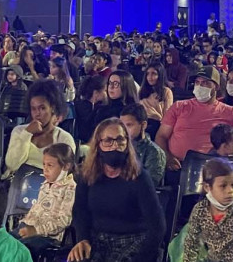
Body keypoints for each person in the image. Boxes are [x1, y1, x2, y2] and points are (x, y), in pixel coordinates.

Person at [69, 118, 165, 262]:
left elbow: (157, 226)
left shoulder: (140, 177)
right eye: (108, 141)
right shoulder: (87, 174)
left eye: (120, 140)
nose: (114, 146)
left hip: (133, 241)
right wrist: (83, 240)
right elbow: (80, 211)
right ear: (98, 145)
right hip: (98, 240)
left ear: (127, 143)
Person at [155, 70, 233, 178]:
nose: (200, 86)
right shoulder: (179, 107)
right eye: (197, 82)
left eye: (205, 83)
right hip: (177, 167)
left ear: (216, 86)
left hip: (212, 171)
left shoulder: (230, 112)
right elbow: (161, 136)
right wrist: (168, 157)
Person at [181, 158, 233, 262]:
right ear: (207, 187)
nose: (230, 191)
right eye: (223, 186)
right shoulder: (199, 209)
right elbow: (191, 244)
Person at [14, 143, 77, 259]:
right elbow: (37, 209)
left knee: (19, 250)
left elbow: (63, 221)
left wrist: (36, 230)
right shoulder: (45, 184)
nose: (45, 169)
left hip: (48, 237)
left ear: (66, 166)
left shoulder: (70, 189)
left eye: (50, 165)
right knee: (3, 242)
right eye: (44, 164)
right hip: (28, 227)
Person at [3, 80, 76, 177]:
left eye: (42, 108)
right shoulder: (19, 131)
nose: (37, 114)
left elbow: (62, 174)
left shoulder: (64, 139)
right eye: (33, 109)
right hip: (16, 185)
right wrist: (27, 133)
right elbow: (12, 165)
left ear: (52, 108)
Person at [120, 103, 166, 187]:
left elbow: (150, 184)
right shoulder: (119, 147)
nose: (124, 130)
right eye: (122, 126)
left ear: (143, 125)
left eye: (129, 125)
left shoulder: (154, 152)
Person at [138, 64, 173, 140]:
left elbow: (167, 114)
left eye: (154, 74)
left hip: (156, 124)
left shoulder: (166, 91)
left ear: (160, 75)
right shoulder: (142, 91)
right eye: (148, 74)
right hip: (142, 122)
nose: (150, 77)